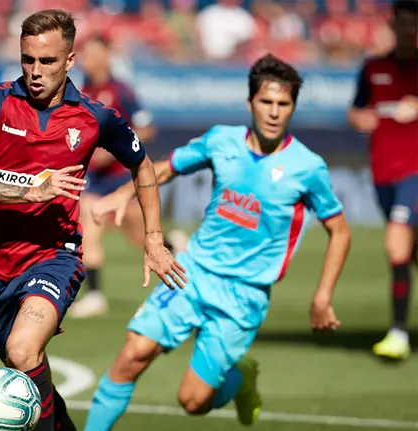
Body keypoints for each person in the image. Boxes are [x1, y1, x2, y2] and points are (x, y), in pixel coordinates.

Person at [0, 9, 186, 431]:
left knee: (22, 351)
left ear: (70, 60)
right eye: (28, 60)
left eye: (48, 61)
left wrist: (154, 238)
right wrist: (31, 190)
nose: (35, 71)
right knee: (27, 370)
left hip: (55, 257)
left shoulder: (95, 116)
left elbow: (143, 165)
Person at [84, 54, 351, 430]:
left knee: (193, 401)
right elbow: (165, 168)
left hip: (244, 295)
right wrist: (123, 193)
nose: (274, 112)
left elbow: (339, 231)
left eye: (283, 103)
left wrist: (322, 296)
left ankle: (241, 378)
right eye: (266, 101)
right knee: (133, 353)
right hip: (191, 272)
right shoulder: (221, 140)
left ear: (292, 107)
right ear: (250, 103)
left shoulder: (307, 167)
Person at [70, 34, 188, 319]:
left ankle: (176, 248)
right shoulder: (82, 90)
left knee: (139, 236)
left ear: (106, 56)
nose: (87, 59)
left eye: (93, 53)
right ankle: (95, 295)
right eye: (84, 54)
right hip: (94, 178)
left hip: (122, 176)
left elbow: (147, 129)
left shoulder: (120, 91)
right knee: (89, 228)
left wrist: (114, 150)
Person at [347, 0, 418, 361]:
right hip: (383, 174)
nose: (408, 30)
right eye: (402, 23)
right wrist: (359, 120)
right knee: (411, 253)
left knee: (396, 244)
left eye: (413, 24)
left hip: (415, 173)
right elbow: (356, 109)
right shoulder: (374, 67)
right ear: (393, 25)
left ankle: (398, 334)